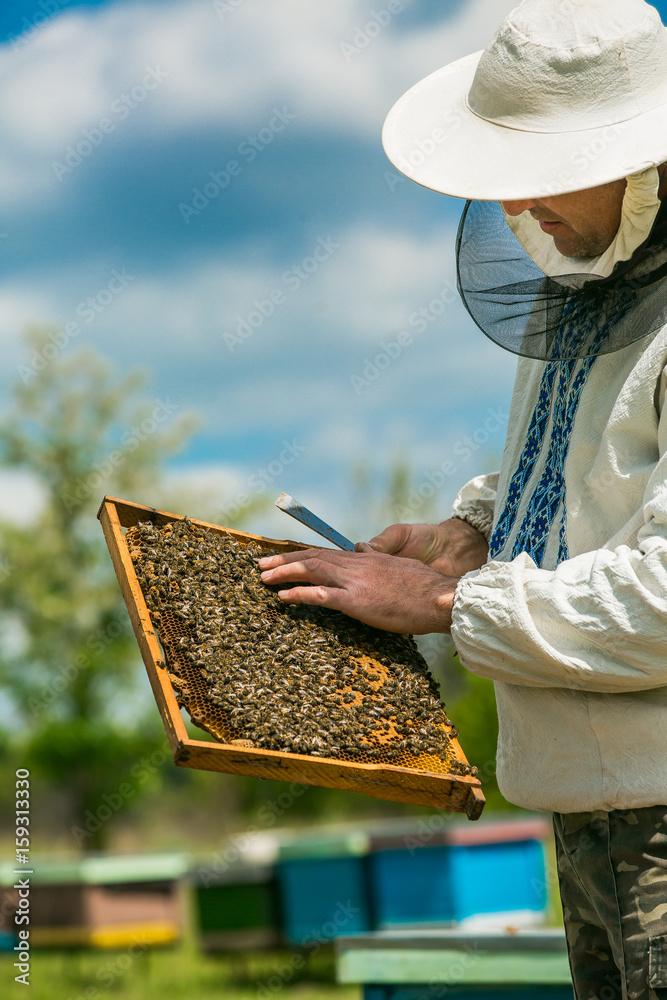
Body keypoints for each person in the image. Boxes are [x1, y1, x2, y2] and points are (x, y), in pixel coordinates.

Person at [259, 1, 667, 996]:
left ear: (639, 158)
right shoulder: (594, 291)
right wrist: (470, 531)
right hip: (586, 808)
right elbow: (580, 465)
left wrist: (441, 604)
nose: (516, 213)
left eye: (538, 177)